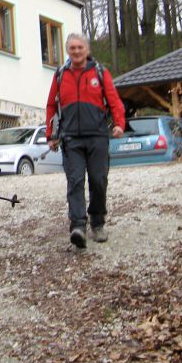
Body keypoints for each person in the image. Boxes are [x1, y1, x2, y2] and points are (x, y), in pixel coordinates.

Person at [45, 33, 125, 249]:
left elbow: (114, 100)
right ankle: (78, 226)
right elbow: (52, 106)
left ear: (87, 50)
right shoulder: (60, 75)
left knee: (99, 180)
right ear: (67, 51)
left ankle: (97, 222)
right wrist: (51, 135)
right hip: (71, 139)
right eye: (72, 48)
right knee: (75, 181)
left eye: (80, 47)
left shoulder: (100, 72)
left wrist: (119, 124)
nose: (76, 51)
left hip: (98, 136)